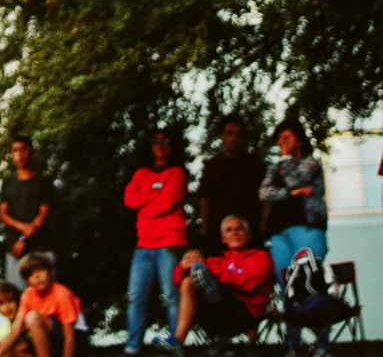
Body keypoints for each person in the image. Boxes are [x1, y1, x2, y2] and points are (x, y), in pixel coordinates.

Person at [123, 129, 189, 354]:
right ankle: (132, 347)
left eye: (165, 141)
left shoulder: (177, 173)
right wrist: (153, 196)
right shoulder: (141, 173)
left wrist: (147, 201)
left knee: (171, 296)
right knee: (135, 296)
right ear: (150, 147)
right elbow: (129, 199)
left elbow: (167, 203)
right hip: (144, 244)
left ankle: (175, 345)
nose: (160, 145)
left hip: (170, 242)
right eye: (155, 141)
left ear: (172, 146)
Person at [164, 216, 274, 349]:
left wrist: (212, 271)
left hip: (244, 312)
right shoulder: (216, 261)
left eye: (239, 229)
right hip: (214, 313)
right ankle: (177, 341)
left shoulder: (261, 258)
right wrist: (183, 266)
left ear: (248, 235)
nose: (235, 233)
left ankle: (211, 291)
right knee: (188, 280)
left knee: (203, 274)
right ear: (223, 239)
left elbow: (246, 283)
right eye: (229, 230)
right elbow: (177, 282)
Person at [259, 117, 328, 285]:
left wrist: (285, 165)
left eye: (287, 137)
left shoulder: (311, 162)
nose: (282, 142)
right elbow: (264, 193)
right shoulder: (275, 167)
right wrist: (291, 193)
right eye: (279, 138)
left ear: (299, 141)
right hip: (278, 231)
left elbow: (295, 179)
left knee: (308, 278)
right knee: (285, 280)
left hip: (306, 227)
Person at [198, 117, 264, 256]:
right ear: (222, 136)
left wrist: (262, 227)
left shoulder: (255, 165)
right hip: (217, 232)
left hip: (249, 231)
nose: (234, 138)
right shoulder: (212, 166)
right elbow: (205, 198)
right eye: (229, 133)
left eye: (238, 134)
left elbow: (264, 198)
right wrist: (205, 229)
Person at [0, 254, 86, 357]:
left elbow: (70, 338)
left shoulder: (62, 294)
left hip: (73, 338)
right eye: (31, 275)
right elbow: (16, 330)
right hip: (48, 340)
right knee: (14, 350)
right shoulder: (28, 295)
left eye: (40, 270)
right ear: (27, 281)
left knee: (32, 317)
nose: (37, 277)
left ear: (49, 272)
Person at [0, 137, 56, 287]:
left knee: (47, 295)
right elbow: (3, 214)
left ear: (31, 151)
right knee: (18, 295)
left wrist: (23, 238)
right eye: (15, 151)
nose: (20, 155)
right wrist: (22, 228)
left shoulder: (43, 181)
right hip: (15, 249)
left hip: (41, 247)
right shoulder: (8, 182)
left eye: (23, 149)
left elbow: (44, 213)